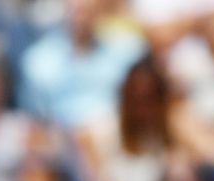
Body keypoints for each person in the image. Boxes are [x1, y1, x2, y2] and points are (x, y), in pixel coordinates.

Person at [18, 0, 146, 130]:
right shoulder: (39, 61)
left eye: (87, 11)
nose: (82, 18)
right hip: (61, 139)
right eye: (77, 11)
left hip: (116, 134)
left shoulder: (126, 52)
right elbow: (33, 116)